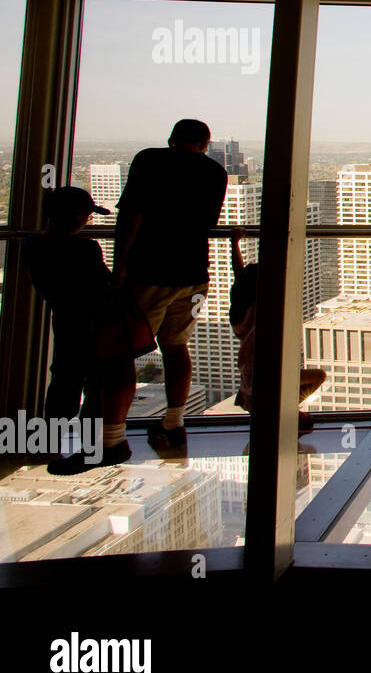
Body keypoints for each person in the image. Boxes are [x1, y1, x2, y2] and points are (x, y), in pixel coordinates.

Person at [113, 119, 228, 453]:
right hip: (194, 275)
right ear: (206, 143)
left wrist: (120, 265)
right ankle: (174, 422)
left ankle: (114, 434)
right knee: (177, 346)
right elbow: (208, 223)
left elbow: (132, 214)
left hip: (149, 272)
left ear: (171, 139)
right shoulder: (214, 172)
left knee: (123, 352)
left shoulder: (149, 160)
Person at [24, 187, 139, 473]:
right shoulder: (85, 248)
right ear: (75, 216)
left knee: (63, 382)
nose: (87, 220)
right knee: (96, 386)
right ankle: (93, 449)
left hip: (64, 320)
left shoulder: (31, 244)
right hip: (93, 325)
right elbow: (106, 286)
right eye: (86, 215)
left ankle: (48, 447)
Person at [227, 227, 325, 433]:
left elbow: (239, 275)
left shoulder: (243, 318)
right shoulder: (258, 316)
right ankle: (288, 407)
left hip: (258, 389)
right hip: (262, 387)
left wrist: (234, 244)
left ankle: (287, 407)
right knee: (319, 376)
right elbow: (242, 274)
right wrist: (234, 243)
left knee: (318, 376)